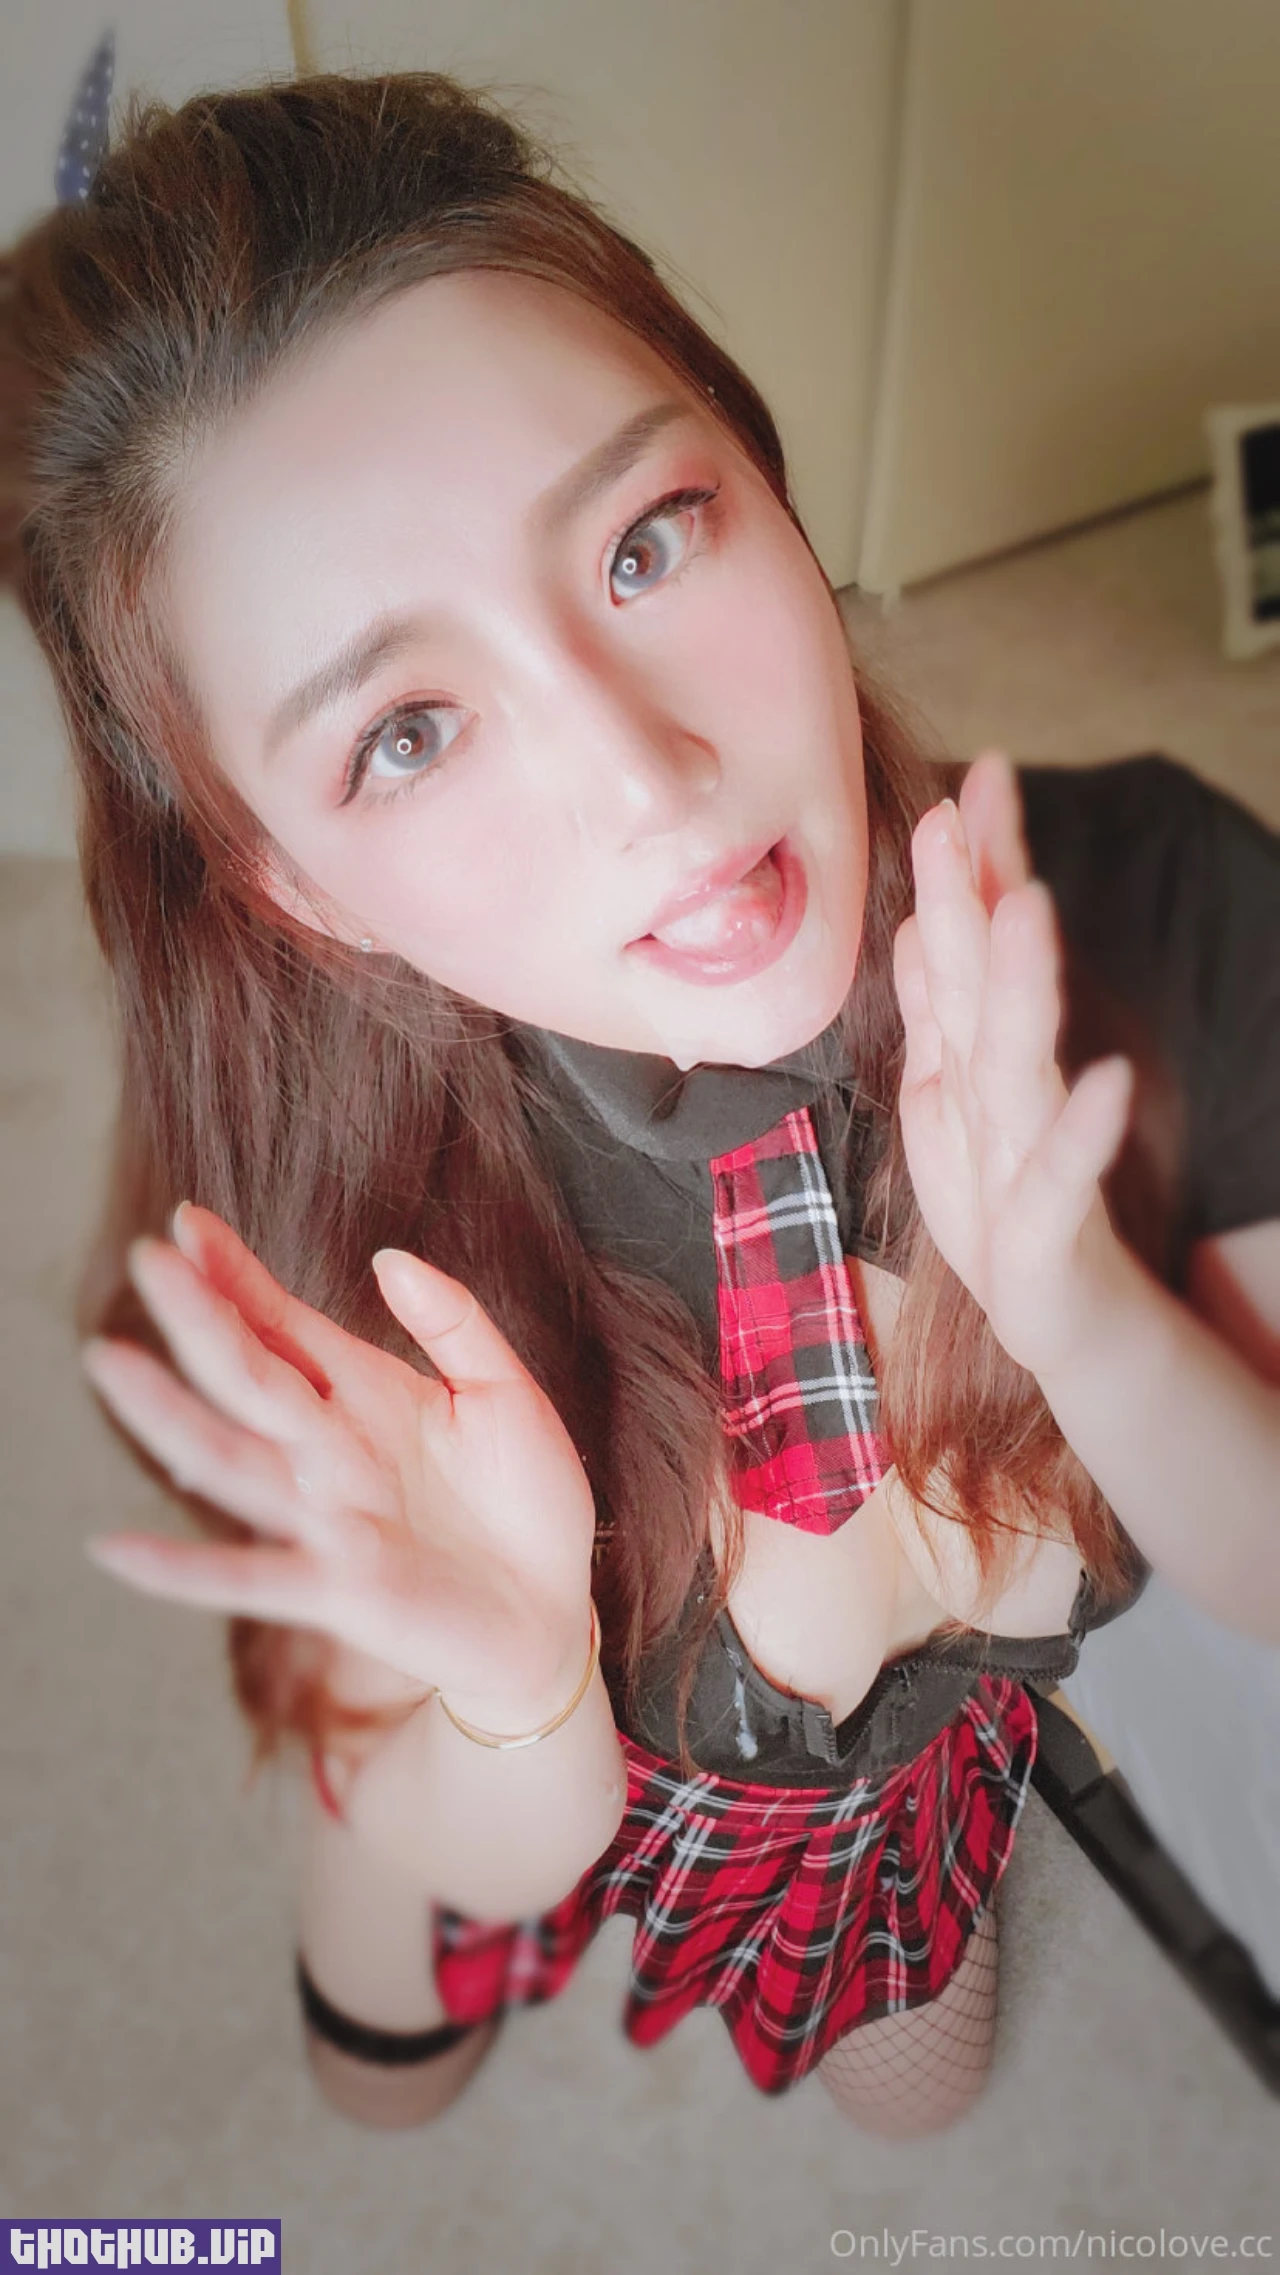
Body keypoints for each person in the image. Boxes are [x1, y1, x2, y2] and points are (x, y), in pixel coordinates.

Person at [3, 70, 1277, 2140]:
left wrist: (1093, 1320)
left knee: (916, 2109)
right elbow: (489, 1800)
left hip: (880, 1801)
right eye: (408, 731)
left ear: (758, 466)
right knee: (383, 2090)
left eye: (643, 541)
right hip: (520, 1774)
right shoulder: (344, 1232)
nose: (649, 779)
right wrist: (513, 1693)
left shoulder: (1152, 906)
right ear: (297, 886)